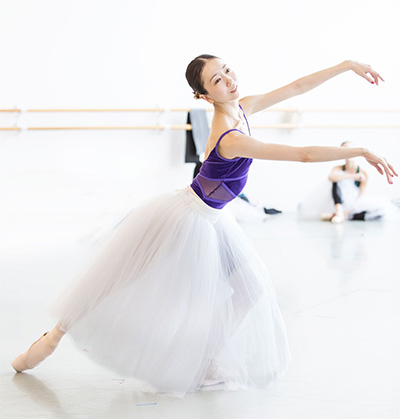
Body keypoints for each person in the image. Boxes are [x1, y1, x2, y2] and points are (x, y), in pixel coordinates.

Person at [11, 54, 397, 397]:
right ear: (205, 96)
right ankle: (55, 336)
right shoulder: (228, 137)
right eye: (217, 80)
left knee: (249, 289)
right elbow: (302, 155)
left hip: (214, 220)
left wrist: (346, 65)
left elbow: (296, 87)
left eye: (227, 70)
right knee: (122, 277)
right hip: (186, 219)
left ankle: (204, 360)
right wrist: (360, 150)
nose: (228, 80)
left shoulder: (242, 107)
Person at [321, 141, 379, 223]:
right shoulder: (338, 168)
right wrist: (353, 176)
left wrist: (348, 211)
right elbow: (331, 177)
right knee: (336, 180)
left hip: (353, 204)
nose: (347, 152)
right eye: (344, 150)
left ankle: (339, 215)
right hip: (339, 202)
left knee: (374, 214)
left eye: (349, 149)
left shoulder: (364, 173)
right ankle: (339, 212)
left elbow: (361, 196)